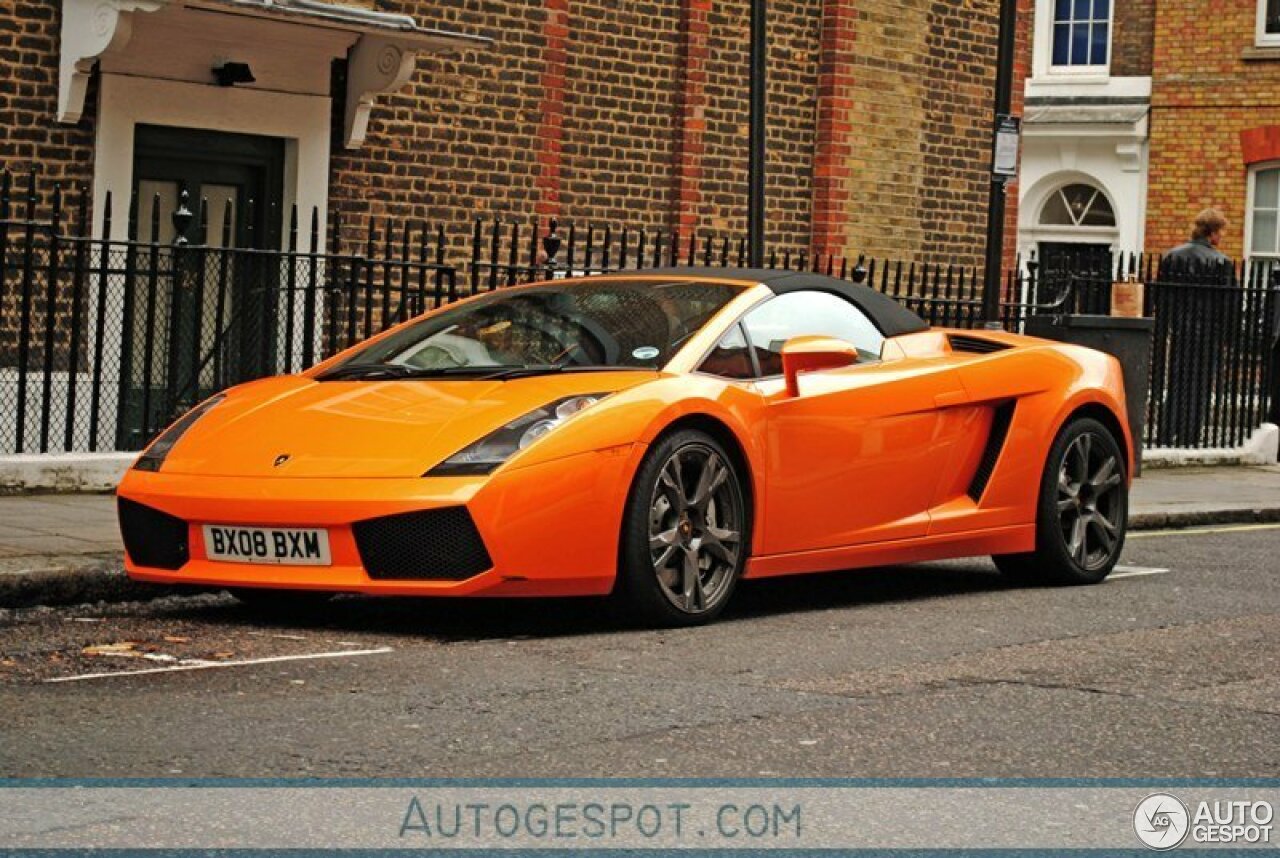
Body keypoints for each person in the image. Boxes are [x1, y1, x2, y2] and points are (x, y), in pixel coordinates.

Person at [1158, 208, 1235, 448]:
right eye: (1220, 232)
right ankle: (1190, 435)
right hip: (1209, 335)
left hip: (1180, 331)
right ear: (1212, 233)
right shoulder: (1222, 262)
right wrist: (1228, 338)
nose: (1221, 237)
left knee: (1177, 382)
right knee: (1200, 386)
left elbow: (1162, 298)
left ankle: (1166, 432)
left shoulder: (1171, 257)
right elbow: (1229, 305)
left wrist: (1165, 328)